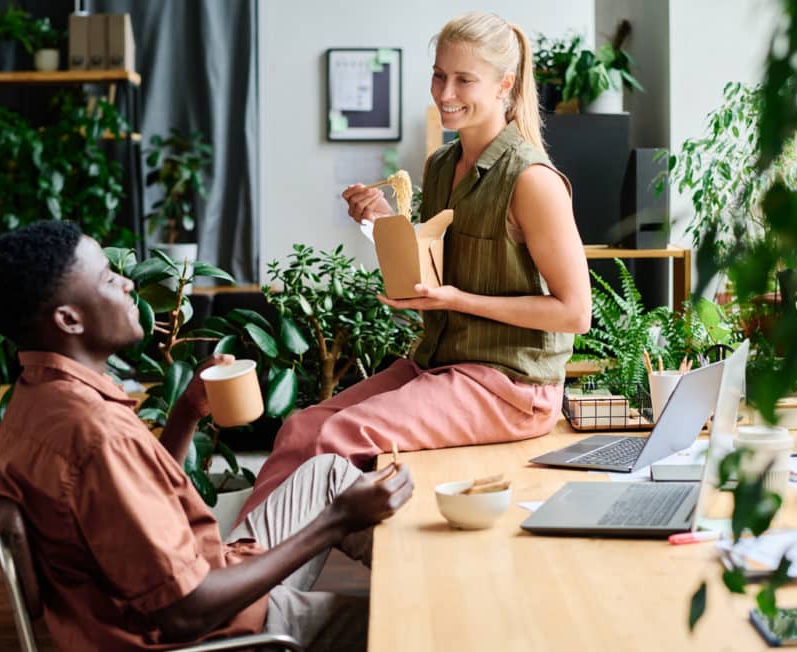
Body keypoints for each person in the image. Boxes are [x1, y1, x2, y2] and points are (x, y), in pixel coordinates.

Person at [0, 221, 413, 651]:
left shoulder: (32, 405)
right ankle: (442, 599)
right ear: (69, 319)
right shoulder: (96, 435)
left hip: (198, 582)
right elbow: (186, 612)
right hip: (219, 631)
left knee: (327, 473)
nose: (129, 284)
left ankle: (438, 578)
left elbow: (136, 502)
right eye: (109, 278)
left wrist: (186, 412)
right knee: (408, 626)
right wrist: (335, 521)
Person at [237, 10, 590, 523]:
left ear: (504, 86)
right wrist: (384, 222)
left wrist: (458, 301)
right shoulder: (442, 164)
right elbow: (430, 268)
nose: (445, 91)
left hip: (512, 388)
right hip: (441, 365)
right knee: (301, 428)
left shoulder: (532, 180)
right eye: (439, 74)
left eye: (464, 79)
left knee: (339, 436)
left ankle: (258, 578)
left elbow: (575, 312)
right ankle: (236, 561)